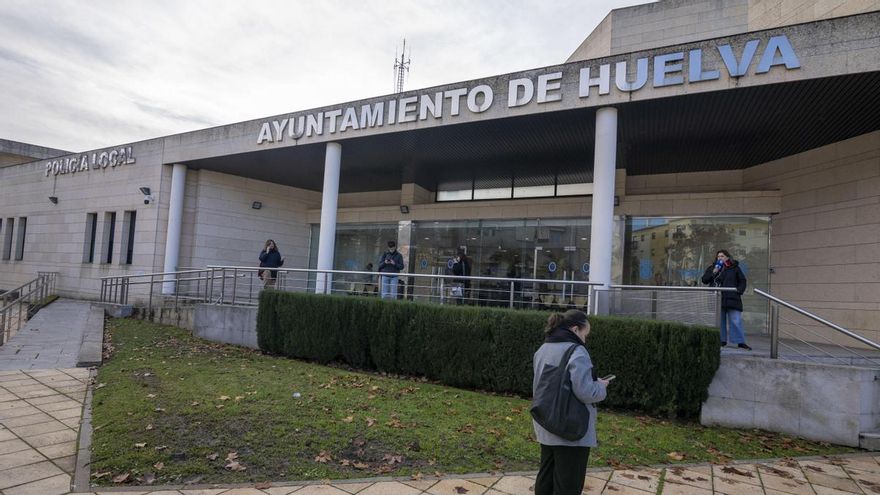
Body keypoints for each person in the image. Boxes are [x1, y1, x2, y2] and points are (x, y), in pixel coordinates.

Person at [533, 310, 610, 495]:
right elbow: (586, 392)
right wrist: (601, 386)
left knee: (546, 477)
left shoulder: (543, 348)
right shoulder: (577, 351)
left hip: (545, 422)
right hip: (570, 429)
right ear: (575, 329)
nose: (585, 339)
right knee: (568, 485)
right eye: (585, 334)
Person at [701, 249, 751, 350]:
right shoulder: (712, 268)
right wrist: (713, 272)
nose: (720, 258)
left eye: (722, 256)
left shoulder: (734, 268)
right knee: (720, 321)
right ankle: (721, 340)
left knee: (736, 320)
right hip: (717, 298)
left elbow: (742, 280)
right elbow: (704, 280)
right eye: (718, 256)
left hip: (732, 298)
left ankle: (740, 342)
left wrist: (739, 291)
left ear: (727, 257)